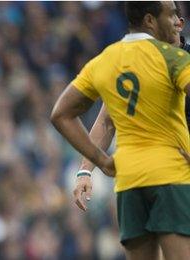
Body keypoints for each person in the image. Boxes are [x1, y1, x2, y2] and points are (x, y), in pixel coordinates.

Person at [51, 2, 190, 259]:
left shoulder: (106, 60)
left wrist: (99, 163)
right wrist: (86, 168)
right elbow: (106, 120)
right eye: (171, 16)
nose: (177, 23)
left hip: (129, 179)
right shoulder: (176, 60)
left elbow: (62, 113)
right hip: (173, 175)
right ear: (150, 20)